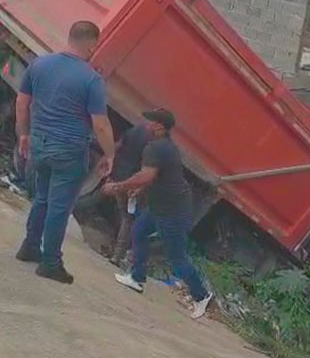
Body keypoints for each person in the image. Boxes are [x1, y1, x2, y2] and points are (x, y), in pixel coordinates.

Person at [15, 20, 115, 284]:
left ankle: (29, 246)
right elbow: (101, 125)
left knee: (42, 198)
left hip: (40, 143)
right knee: (59, 207)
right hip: (68, 150)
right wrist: (110, 154)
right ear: (92, 44)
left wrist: (24, 134)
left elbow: (22, 102)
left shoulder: (40, 64)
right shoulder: (91, 79)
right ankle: (50, 262)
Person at [103, 109, 213, 320]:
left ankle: (202, 295)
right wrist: (141, 190)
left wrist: (118, 187)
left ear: (159, 127)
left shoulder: (156, 148)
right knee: (138, 231)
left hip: (173, 210)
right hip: (162, 205)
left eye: (150, 121)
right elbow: (159, 177)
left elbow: (146, 175)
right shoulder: (166, 147)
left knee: (177, 258)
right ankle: (137, 278)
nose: (146, 124)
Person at [108, 122, 150, 265]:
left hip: (119, 175)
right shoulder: (153, 143)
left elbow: (118, 145)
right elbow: (147, 169)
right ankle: (120, 256)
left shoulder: (135, 129)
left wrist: (108, 163)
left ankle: (117, 253)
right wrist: (139, 188)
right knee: (131, 219)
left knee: (125, 215)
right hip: (132, 182)